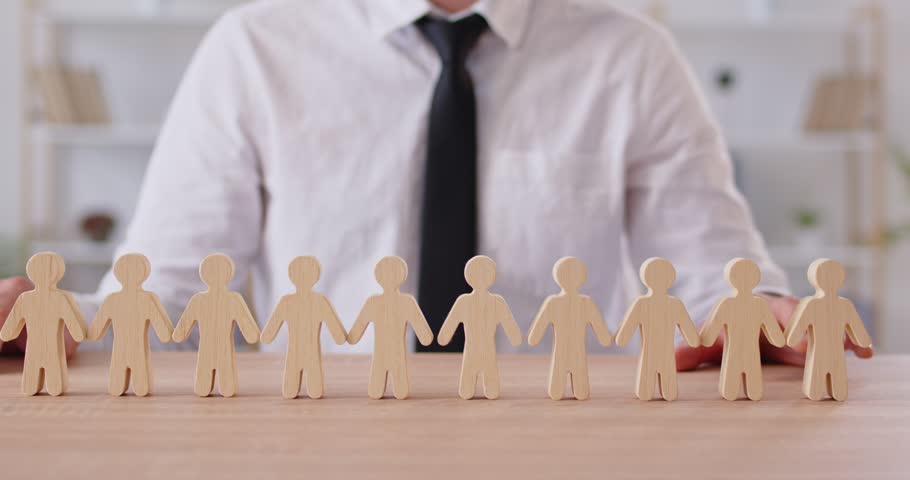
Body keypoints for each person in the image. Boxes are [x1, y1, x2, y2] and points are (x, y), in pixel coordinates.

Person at [0, 0, 872, 369]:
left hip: (563, 444)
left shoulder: (631, 56)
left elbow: (716, 280)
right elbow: (166, 295)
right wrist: (54, 329)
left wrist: (763, 317)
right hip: (317, 443)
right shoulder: (253, 48)